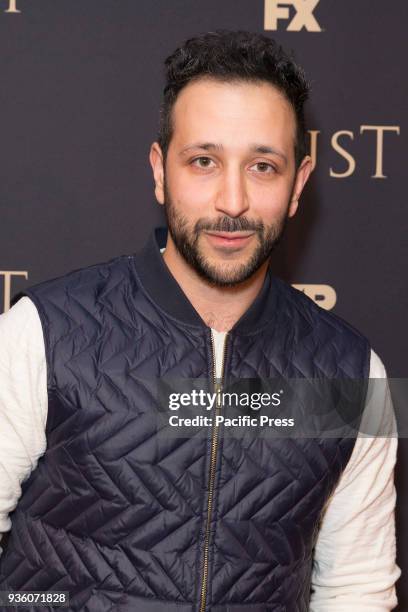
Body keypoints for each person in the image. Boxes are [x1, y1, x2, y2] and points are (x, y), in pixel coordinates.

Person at [0, 30, 400, 611]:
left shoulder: (353, 374)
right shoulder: (42, 332)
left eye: (263, 166)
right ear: (161, 170)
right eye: (204, 161)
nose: (232, 201)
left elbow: (355, 590)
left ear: (299, 185)